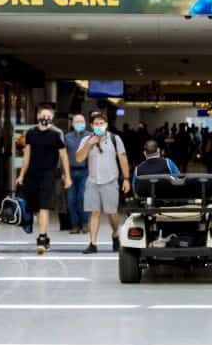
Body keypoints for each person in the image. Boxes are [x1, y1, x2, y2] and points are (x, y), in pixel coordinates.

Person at [15, 101, 72, 254]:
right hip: (32, 174)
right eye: (43, 115)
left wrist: (67, 176)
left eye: (49, 116)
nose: (45, 118)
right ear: (38, 116)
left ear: (52, 117)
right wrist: (21, 175)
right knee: (33, 207)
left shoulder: (56, 134)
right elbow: (26, 156)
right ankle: (34, 225)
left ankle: (42, 237)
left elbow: (64, 156)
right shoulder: (31, 133)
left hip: (49, 174)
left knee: (44, 206)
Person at [75, 111, 131, 255]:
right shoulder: (86, 140)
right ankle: (93, 243)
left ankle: (115, 234)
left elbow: (123, 158)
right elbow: (79, 159)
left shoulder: (114, 139)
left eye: (101, 123)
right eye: (96, 124)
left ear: (106, 125)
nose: (99, 126)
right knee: (94, 212)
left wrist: (126, 178)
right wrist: (89, 144)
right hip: (93, 181)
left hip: (110, 181)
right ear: (91, 125)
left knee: (112, 213)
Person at [63, 114, 91, 235]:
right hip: (70, 172)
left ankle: (84, 223)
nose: (79, 123)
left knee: (82, 198)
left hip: (85, 171)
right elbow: (63, 157)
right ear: (72, 124)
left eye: (82, 121)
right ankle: (74, 225)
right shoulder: (67, 137)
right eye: (77, 121)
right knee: (71, 199)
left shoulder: (90, 136)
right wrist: (64, 173)